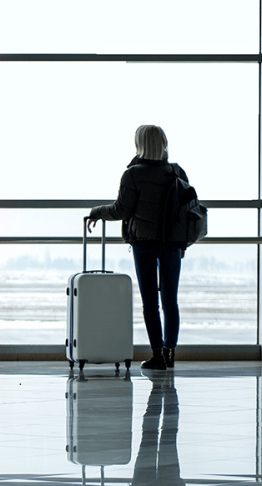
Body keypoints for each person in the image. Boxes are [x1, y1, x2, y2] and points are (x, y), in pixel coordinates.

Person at [88, 125, 187, 370]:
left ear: (138, 144)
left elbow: (120, 210)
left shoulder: (132, 175)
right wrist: (182, 242)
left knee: (150, 302)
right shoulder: (177, 172)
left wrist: (97, 211)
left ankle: (157, 356)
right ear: (164, 142)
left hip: (143, 244)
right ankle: (170, 352)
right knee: (170, 301)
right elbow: (185, 212)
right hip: (172, 244)